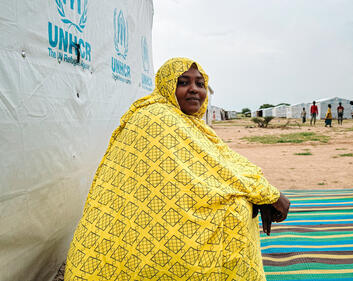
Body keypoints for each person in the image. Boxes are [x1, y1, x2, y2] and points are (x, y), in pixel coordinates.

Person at [64, 58, 290, 280]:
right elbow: (217, 172)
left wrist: (263, 192)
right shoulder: (157, 116)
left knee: (238, 204)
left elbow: (223, 163)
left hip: (162, 220)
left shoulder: (188, 122)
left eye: (200, 84)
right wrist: (268, 194)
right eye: (183, 82)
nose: (194, 90)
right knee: (234, 211)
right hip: (142, 227)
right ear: (166, 86)